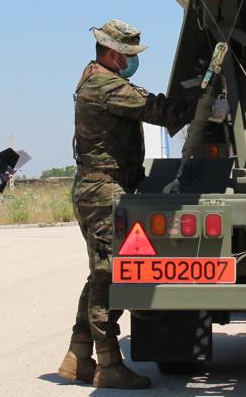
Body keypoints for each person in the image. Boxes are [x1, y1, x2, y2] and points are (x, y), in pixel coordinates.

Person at [58, 20, 198, 389]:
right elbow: (157, 112)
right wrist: (200, 101)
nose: (132, 61)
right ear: (112, 53)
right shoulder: (105, 84)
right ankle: (109, 366)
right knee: (110, 276)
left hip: (100, 188)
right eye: (129, 55)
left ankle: (77, 356)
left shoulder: (98, 77)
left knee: (99, 273)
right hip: (103, 191)